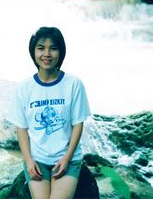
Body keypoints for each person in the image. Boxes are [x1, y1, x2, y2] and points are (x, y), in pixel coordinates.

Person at [6, 26, 91, 199]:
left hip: (67, 159)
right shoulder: (23, 88)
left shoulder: (73, 84)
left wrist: (67, 158)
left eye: (53, 48)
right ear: (33, 52)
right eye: (41, 48)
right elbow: (21, 128)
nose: (47, 54)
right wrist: (29, 160)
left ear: (61, 52)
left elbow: (77, 124)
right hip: (37, 161)